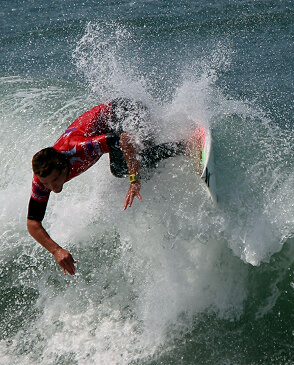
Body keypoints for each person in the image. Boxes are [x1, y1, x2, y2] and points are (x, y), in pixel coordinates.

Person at [27, 99, 185, 275]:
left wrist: (134, 180)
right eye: (46, 183)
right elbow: (33, 222)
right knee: (140, 164)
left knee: (123, 168)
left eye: (55, 180)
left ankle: (187, 144)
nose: (51, 187)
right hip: (117, 123)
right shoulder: (42, 179)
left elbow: (124, 139)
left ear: (64, 167)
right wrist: (56, 250)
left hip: (127, 112)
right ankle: (178, 148)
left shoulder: (78, 150)